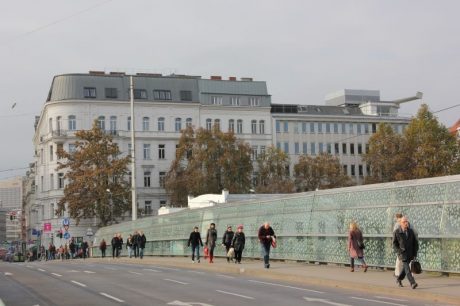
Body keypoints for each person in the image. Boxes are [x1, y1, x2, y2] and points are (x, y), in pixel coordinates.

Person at [393, 216, 419, 289]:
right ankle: (413, 283)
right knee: (407, 269)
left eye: (406, 221)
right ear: (400, 223)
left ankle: (399, 279)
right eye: (404, 222)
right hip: (403, 253)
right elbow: (394, 244)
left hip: (410, 253)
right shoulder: (397, 232)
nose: (406, 223)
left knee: (405, 269)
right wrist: (399, 251)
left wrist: (415, 253)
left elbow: (415, 243)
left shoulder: (410, 231)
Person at [393, 213, 404, 277]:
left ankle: (397, 273)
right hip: (404, 243)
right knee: (403, 259)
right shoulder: (406, 222)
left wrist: (394, 243)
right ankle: (397, 272)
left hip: (399, 243)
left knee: (399, 259)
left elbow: (394, 233)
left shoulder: (397, 224)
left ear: (397, 217)